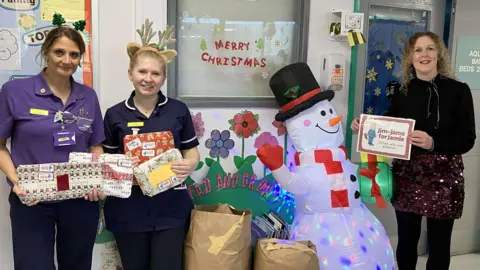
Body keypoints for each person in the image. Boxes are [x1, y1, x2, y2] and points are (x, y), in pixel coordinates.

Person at [351, 31, 476, 270]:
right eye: (418, 50)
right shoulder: (402, 91)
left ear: (439, 54)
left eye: (430, 48)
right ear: (410, 57)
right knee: (407, 240)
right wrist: (365, 126)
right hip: (408, 174)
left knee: (440, 244)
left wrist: (433, 143)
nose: (424, 54)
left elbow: (468, 139)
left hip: (445, 175)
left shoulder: (459, 90)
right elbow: (387, 125)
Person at [0, 19, 105, 270]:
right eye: (59, 52)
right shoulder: (15, 91)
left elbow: (96, 145)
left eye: (74, 54)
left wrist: (94, 179)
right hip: (32, 200)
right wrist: (16, 180)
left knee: (77, 265)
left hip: (79, 199)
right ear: (46, 52)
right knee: (33, 265)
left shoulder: (87, 96)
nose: (66, 60)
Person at [102, 20, 200, 270]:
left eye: (155, 73)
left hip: (171, 209)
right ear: (130, 74)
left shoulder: (178, 110)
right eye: (142, 72)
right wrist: (122, 165)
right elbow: (107, 163)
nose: (148, 79)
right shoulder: (114, 115)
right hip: (128, 210)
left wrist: (188, 165)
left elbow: (191, 151)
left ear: (164, 77)